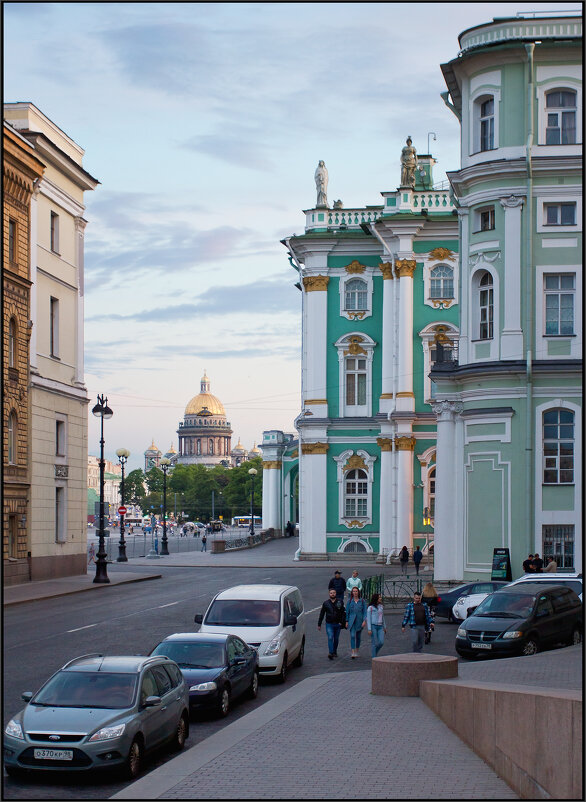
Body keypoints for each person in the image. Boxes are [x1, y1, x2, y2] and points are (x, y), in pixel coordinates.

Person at [317, 588, 347, 659]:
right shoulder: (326, 603)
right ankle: (330, 652)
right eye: (331, 593)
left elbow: (344, 613)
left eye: (334, 593)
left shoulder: (340, 601)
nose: (332, 594)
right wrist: (319, 624)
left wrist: (342, 622)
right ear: (329, 594)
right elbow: (322, 613)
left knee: (336, 638)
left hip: (338, 623)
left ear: (335, 593)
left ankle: (334, 651)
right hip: (329, 623)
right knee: (330, 637)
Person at [346, 586, 367, 658]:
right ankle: (353, 652)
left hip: (359, 620)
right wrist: (346, 621)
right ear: (352, 593)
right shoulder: (349, 601)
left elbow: (364, 612)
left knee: (358, 636)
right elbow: (347, 612)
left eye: (356, 591)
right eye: (353, 591)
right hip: (352, 621)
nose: (355, 593)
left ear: (358, 592)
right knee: (352, 636)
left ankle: (357, 650)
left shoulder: (362, 601)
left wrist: (364, 620)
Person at [367, 593, 386, 659]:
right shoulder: (370, 608)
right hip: (373, 626)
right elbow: (368, 619)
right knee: (375, 643)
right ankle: (374, 657)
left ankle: (374, 653)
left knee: (381, 642)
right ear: (376, 599)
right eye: (379, 597)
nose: (380, 598)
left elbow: (383, 617)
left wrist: (384, 626)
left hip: (380, 626)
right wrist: (369, 629)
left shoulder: (381, 606)